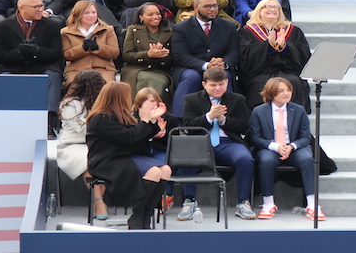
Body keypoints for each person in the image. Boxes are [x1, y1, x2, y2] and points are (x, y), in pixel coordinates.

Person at [86, 81, 175, 230]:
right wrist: (146, 120)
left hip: (125, 156)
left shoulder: (122, 115)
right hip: (106, 161)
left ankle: (148, 212)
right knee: (153, 171)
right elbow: (128, 137)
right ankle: (138, 214)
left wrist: (152, 123)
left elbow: (137, 137)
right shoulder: (100, 118)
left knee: (166, 170)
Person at [181, 65, 258, 221]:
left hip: (227, 142)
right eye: (213, 85)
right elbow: (188, 125)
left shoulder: (237, 99)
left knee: (245, 159)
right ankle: (189, 201)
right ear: (204, 84)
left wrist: (224, 120)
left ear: (227, 82)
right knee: (184, 156)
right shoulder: (191, 99)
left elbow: (244, 125)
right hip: (201, 143)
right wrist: (209, 117)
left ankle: (243, 202)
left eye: (221, 84)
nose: (218, 88)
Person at [250, 77, 322, 221]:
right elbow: (255, 138)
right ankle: (268, 203)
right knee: (266, 161)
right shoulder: (259, 111)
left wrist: (291, 147)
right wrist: (276, 146)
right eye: (281, 91)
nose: (286, 93)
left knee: (307, 159)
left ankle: (312, 204)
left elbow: (305, 137)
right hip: (270, 147)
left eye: (288, 90)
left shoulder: (299, 110)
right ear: (271, 93)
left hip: (294, 147)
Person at [0, 0, 66, 130]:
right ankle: (6, 121)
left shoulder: (52, 25)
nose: (41, 9)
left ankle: (49, 121)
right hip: (14, 67)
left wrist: (36, 51)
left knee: (53, 75)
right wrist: (19, 52)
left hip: (42, 65)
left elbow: (57, 53)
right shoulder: (3, 26)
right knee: (4, 78)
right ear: (22, 8)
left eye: (41, 5)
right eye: (36, 6)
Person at [170, 0, 239, 113]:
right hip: (189, 67)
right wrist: (206, 65)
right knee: (191, 77)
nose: (212, 9)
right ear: (196, 7)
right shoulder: (181, 28)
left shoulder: (229, 26)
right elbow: (180, 56)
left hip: (219, 67)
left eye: (215, 6)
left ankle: (229, 119)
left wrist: (224, 63)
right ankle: (181, 122)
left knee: (224, 76)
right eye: (207, 6)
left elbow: (234, 52)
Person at [239, 0, 311, 110]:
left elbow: (304, 55)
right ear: (259, 11)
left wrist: (286, 48)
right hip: (260, 73)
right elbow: (244, 59)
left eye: (276, 7)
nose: (272, 9)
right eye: (268, 7)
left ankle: (293, 121)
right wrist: (267, 47)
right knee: (264, 84)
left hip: (288, 71)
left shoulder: (292, 31)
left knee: (294, 82)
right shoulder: (247, 32)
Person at [55, 69, 107, 220]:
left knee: (105, 159)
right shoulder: (69, 105)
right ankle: (99, 202)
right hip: (72, 145)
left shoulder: (101, 103)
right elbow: (82, 129)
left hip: (96, 144)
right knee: (89, 161)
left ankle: (97, 202)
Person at [62, 0, 120, 86]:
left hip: (103, 69)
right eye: (87, 13)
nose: (91, 16)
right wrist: (82, 48)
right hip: (77, 69)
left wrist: (97, 48)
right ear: (78, 15)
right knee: (75, 86)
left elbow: (114, 52)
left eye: (94, 12)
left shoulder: (108, 29)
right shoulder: (66, 32)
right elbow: (66, 54)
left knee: (107, 87)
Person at [121, 2, 172, 97]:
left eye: (158, 13)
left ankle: (150, 108)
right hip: (135, 69)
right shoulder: (133, 30)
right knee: (146, 79)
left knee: (155, 81)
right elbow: (127, 56)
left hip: (159, 70)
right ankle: (139, 108)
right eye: (150, 14)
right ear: (141, 17)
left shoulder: (169, 32)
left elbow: (173, 58)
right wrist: (147, 55)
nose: (156, 17)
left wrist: (161, 56)